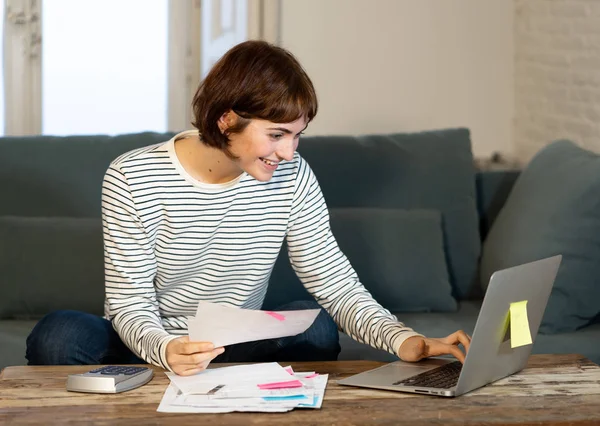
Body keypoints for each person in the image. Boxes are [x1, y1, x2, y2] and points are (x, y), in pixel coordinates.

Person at [26, 40, 470, 376]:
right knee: (60, 334)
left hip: (235, 342)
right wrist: (165, 350)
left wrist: (404, 340)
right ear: (226, 119)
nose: (290, 152)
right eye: (277, 135)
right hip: (145, 343)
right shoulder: (133, 176)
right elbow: (129, 303)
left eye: (297, 135)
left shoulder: (293, 178)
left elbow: (334, 282)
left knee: (313, 326)